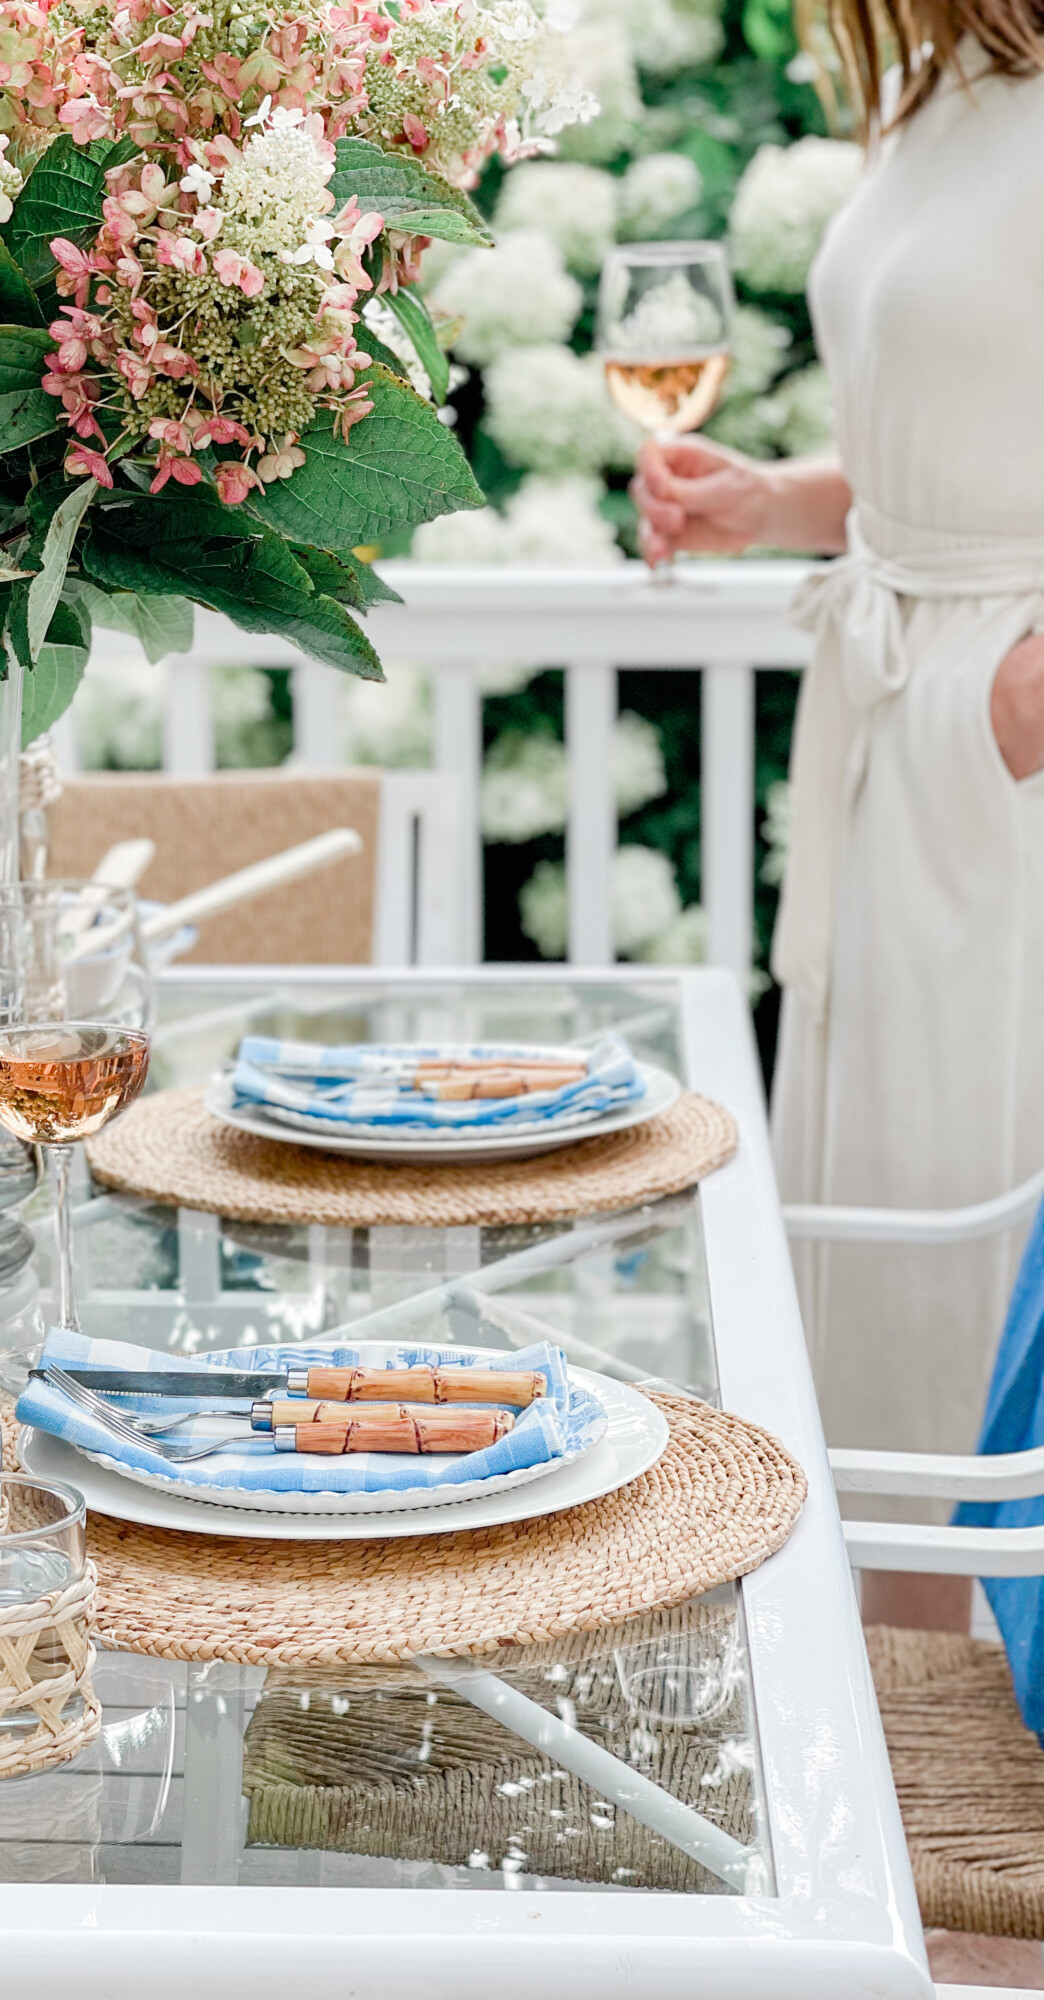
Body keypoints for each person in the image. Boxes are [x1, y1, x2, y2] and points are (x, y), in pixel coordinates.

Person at [632, 0, 1044, 1627]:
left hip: (996, 736)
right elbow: (968, 441)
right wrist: (777, 502)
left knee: (978, 1218)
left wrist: (1012, 703)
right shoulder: (944, 90)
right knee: (880, 1235)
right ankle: (878, 1688)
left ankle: (985, 1704)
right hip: (903, 712)